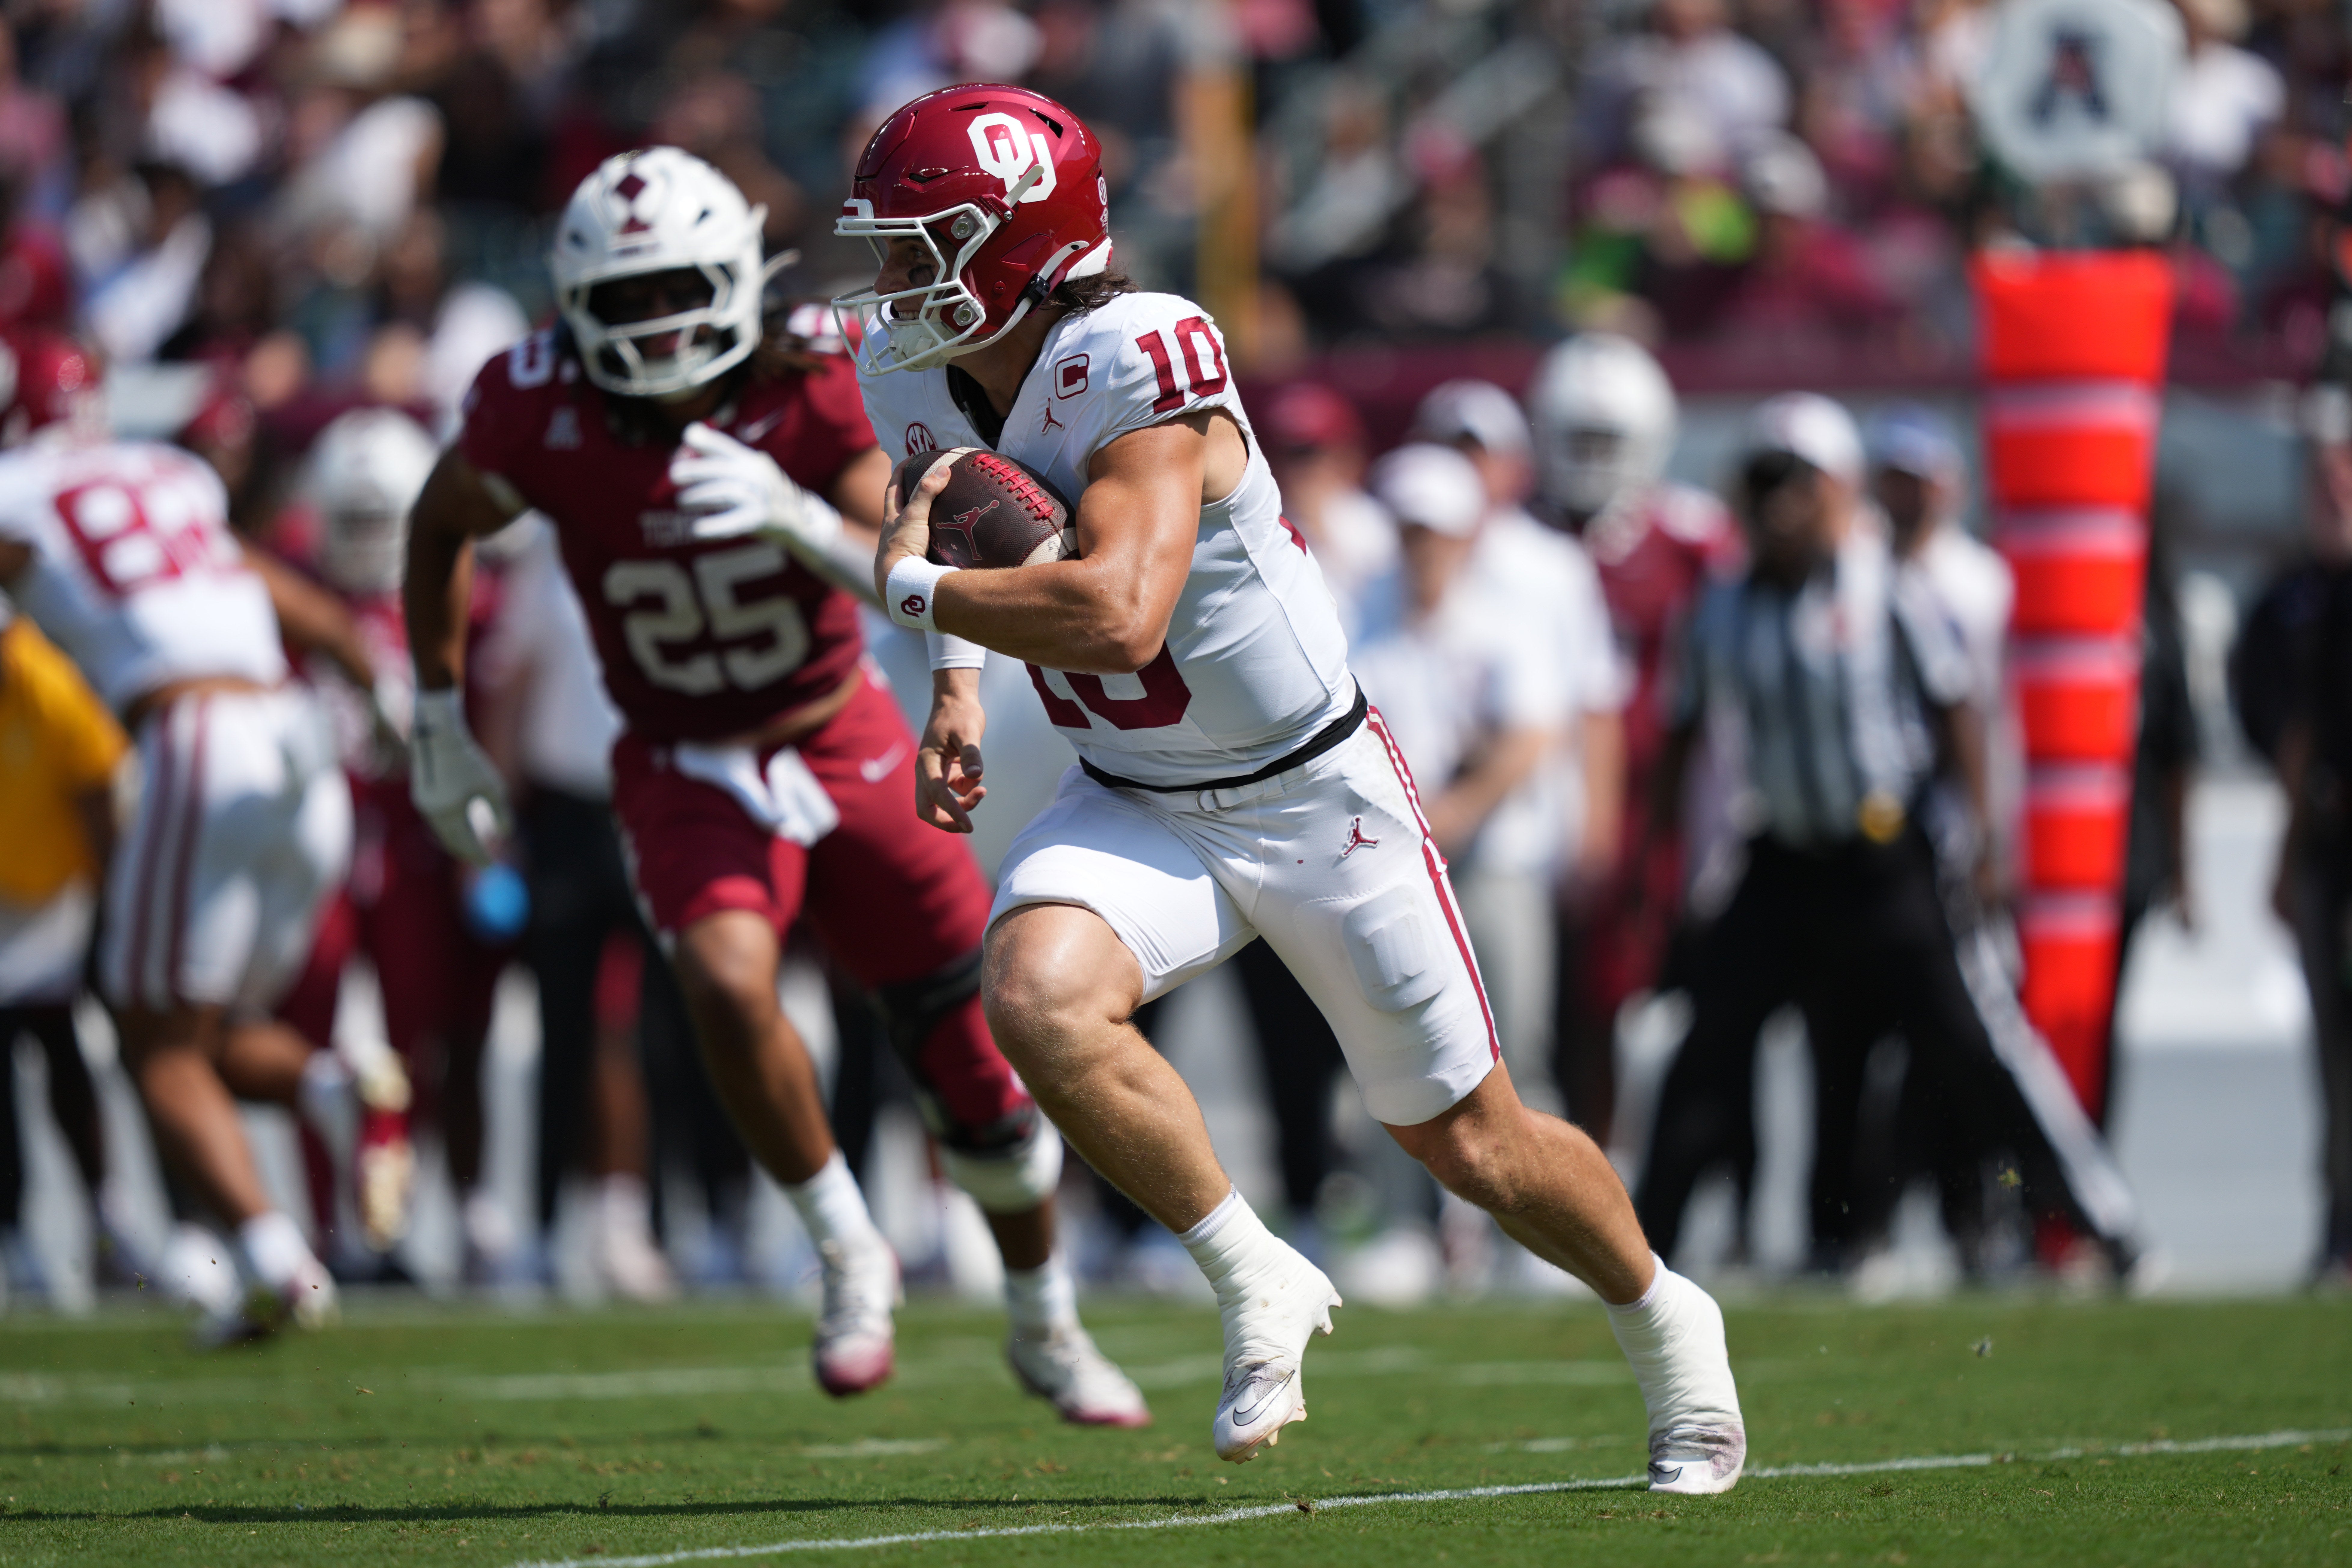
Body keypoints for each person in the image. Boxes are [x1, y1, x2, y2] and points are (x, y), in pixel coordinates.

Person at [841, 84, 1743, 1489]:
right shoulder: (908, 371)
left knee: (1472, 1142)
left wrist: (914, 590)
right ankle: (1261, 1271)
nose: (894, 280)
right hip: (1136, 786)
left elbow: (1120, 612)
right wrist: (955, 682)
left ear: (1021, 243)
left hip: (1314, 792)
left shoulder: (1142, 356)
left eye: (924, 243)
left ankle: (1669, 1322)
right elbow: (955, 514)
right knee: (1031, 996)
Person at [402, 147, 1145, 1422]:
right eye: (625, 298)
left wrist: (795, 516)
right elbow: (438, 523)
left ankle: (1045, 1317)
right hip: (681, 756)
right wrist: (434, 713)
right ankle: (851, 1258)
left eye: (677, 288)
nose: (654, 323)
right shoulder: (535, 403)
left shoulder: (811, 379)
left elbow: (911, 561)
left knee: (976, 1073)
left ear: (739, 274)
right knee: (725, 979)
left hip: (834, 730)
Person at [1633, 394, 2147, 1279]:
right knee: (1708, 1041)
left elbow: (1956, 713)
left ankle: (2102, 1221)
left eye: (1795, 485)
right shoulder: (1722, 604)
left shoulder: (1888, 587)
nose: (1777, 507)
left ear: (1836, 492)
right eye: (1764, 485)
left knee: (1973, 1037)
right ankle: (1635, 1249)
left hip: (1885, 852)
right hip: (1784, 855)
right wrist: (1661, 860)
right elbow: (1683, 733)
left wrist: (1976, 839)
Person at [0, 326, 362, 1342]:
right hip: (296, 742)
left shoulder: (20, 491)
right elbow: (311, 615)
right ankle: (331, 1093)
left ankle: (275, 1258)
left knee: (151, 1036)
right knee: (195, 1032)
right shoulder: (167, 472)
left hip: (193, 737)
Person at [1527, 333, 1740, 1145]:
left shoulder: (1694, 542)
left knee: (1641, 1004)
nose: (1587, 461)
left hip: (1659, 811)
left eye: (1604, 442)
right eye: (1575, 439)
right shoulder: (1519, 537)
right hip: (1547, 804)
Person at [1408, 380, 1627, 1120]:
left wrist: (1595, 820)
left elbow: (1590, 704)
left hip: (1527, 827)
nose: (1463, 468)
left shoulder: (1549, 564)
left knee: (1531, 1030)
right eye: (1449, 450)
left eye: (1476, 452)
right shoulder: (1408, 551)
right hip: (1429, 834)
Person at [0, 607, 135, 1302]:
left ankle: (103, 1217)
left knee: (61, 1054)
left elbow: (97, 787)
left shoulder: (46, 681)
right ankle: (14, 1233)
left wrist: (112, 901)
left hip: (54, 898)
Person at [2255, 379, 2352, 1284]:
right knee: (2334, 1050)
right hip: (2333, 845)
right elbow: (2299, 734)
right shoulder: (2312, 597)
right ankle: (2340, 1220)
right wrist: (2286, 852)